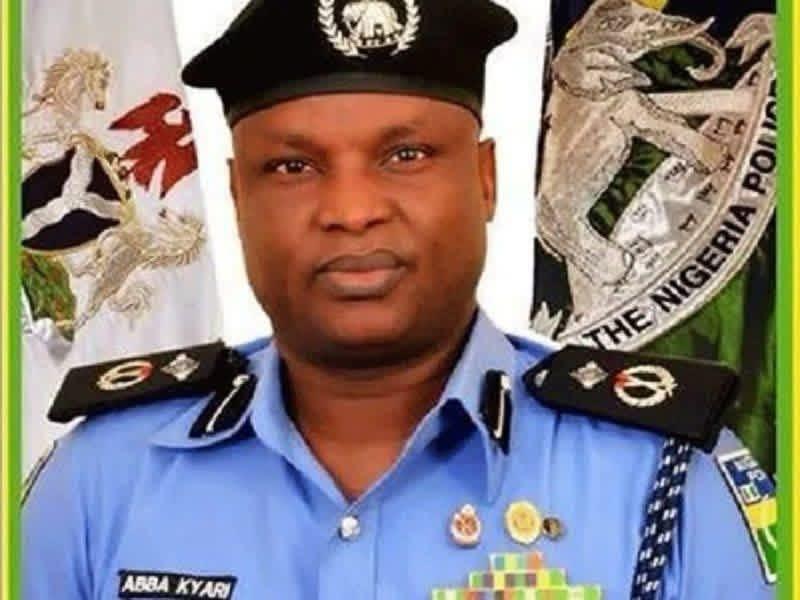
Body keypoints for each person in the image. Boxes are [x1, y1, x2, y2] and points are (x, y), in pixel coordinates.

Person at [24, 0, 776, 598]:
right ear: (236, 197)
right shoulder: (101, 479)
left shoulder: (666, 479)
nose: (352, 210)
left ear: (485, 180)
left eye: (405, 155)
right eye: (291, 167)